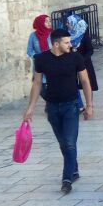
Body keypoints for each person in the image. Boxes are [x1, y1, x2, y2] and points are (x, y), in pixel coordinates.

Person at [23, 28, 94, 194]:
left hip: (71, 106)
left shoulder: (75, 58)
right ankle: (74, 169)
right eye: (67, 42)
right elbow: (37, 83)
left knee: (69, 142)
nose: (70, 45)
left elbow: (84, 80)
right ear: (56, 43)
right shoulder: (42, 59)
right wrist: (31, 108)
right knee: (63, 143)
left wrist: (89, 105)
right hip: (53, 107)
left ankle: (66, 179)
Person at [66, 14, 98, 112]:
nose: (67, 24)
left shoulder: (83, 35)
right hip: (72, 64)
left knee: (87, 83)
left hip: (85, 63)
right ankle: (78, 105)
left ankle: (90, 104)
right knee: (73, 84)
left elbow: (90, 50)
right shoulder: (67, 36)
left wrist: (82, 60)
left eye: (68, 22)